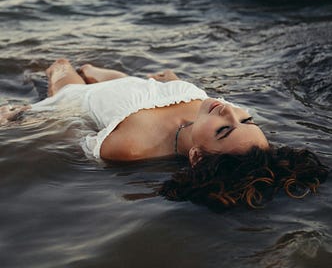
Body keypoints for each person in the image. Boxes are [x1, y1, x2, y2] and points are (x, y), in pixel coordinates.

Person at [0, 59, 329, 209]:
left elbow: (69, 127)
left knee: (61, 65)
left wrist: (22, 119)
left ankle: (79, 75)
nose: (231, 112)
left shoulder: (130, 148)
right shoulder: (223, 111)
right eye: (247, 120)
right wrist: (175, 81)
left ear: (197, 155)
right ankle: (92, 72)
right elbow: (213, 107)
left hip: (83, 100)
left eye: (225, 129)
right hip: (136, 84)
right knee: (93, 69)